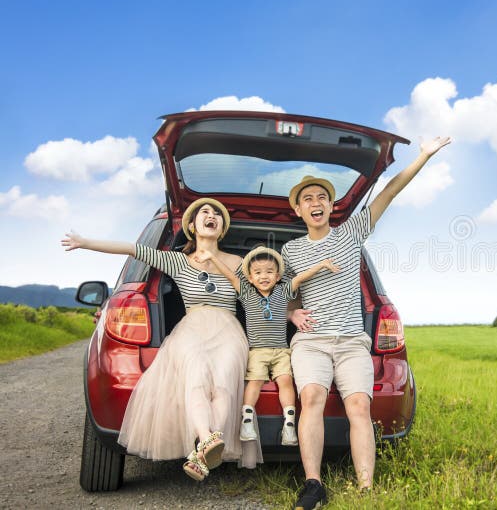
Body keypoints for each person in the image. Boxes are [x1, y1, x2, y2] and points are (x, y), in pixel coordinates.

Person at [282, 136, 452, 509]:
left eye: (322, 197)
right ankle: (314, 484)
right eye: (307, 198)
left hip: (351, 342)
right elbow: (281, 294)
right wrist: (292, 312)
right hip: (311, 343)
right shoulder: (290, 251)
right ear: (297, 209)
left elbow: (389, 193)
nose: (316, 203)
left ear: (331, 206)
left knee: (359, 405)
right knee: (310, 398)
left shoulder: (351, 234)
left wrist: (423, 155)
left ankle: (365, 490)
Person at [62, 198, 264, 481]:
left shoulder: (239, 262)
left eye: (217, 214)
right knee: (196, 379)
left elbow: (261, 292)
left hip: (229, 328)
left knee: (224, 386)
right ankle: (207, 440)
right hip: (192, 328)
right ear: (192, 226)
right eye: (205, 212)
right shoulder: (177, 260)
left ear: (221, 229)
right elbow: (132, 249)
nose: (212, 215)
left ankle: (201, 452)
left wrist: (215, 258)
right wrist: (85, 242)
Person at [194, 245, 340, 448]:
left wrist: (321, 265)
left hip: (281, 351)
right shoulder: (246, 293)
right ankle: (247, 422)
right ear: (251, 278)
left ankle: (289, 425)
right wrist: (212, 256)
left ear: (278, 276)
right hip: (257, 352)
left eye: (269, 272)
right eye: (258, 273)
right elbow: (230, 276)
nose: (264, 276)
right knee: (254, 381)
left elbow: (300, 278)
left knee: (286, 381)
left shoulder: (283, 291)